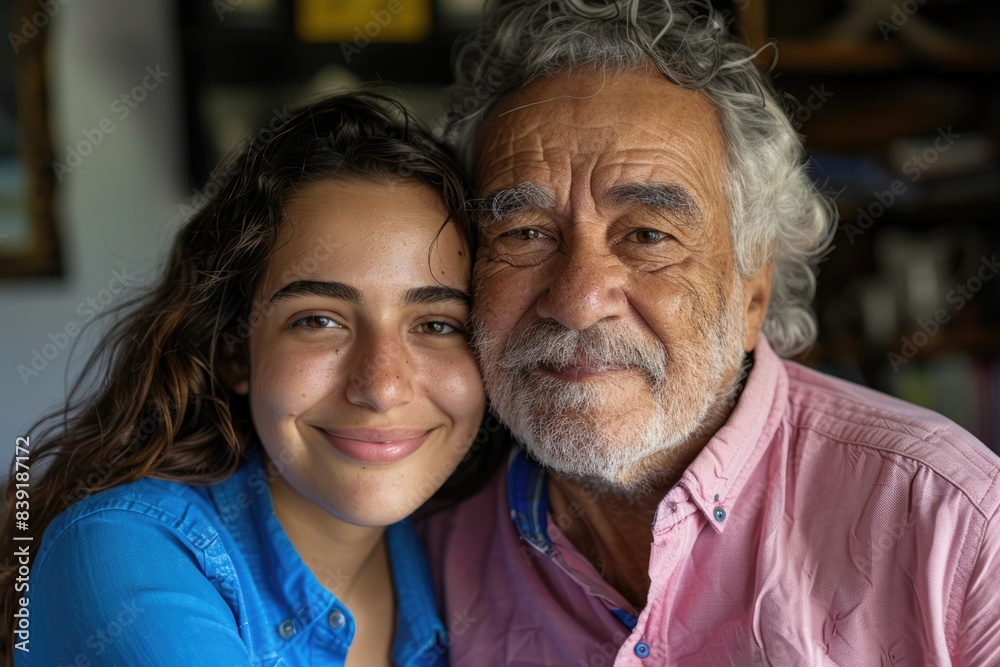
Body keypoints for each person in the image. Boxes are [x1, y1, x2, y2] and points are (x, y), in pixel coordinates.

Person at [419, 1, 1000, 665]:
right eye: (524, 234)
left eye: (647, 235)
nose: (578, 301)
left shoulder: (954, 529)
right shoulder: (428, 546)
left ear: (753, 288)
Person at [0, 92, 497, 666]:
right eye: (318, 320)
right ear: (237, 350)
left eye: (437, 324)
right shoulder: (120, 554)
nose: (382, 386)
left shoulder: (472, 546)